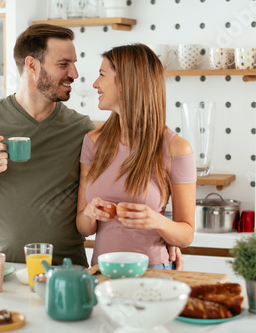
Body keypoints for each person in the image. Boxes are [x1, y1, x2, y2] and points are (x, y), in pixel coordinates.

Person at [0, 24, 96, 266]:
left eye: (74, 63)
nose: (74, 73)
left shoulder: (83, 130)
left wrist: (162, 240)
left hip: (67, 275)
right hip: (3, 273)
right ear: (32, 65)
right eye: (63, 64)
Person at [76, 44, 197, 270]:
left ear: (127, 83)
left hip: (152, 270)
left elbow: (186, 235)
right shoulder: (93, 142)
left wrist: (157, 221)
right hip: (101, 270)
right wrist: (90, 212)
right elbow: (84, 228)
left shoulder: (176, 148)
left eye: (102, 75)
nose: (95, 84)